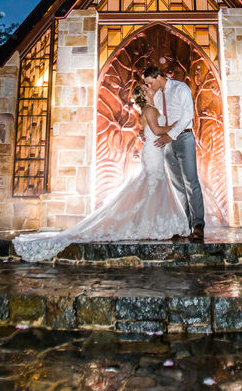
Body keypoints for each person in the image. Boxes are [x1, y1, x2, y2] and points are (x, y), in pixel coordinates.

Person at [12, 84, 190, 262]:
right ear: (145, 93)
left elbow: (145, 131)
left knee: (153, 186)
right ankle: (154, 225)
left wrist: (155, 132)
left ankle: (154, 223)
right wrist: (175, 127)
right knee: (153, 185)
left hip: (153, 150)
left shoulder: (148, 109)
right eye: (148, 86)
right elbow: (158, 130)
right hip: (153, 152)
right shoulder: (150, 110)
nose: (152, 87)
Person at [141, 66, 205, 242]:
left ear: (158, 76)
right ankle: (184, 224)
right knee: (177, 186)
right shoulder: (157, 96)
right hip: (166, 143)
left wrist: (170, 135)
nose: (147, 85)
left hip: (183, 137)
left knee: (191, 182)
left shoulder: (180, 88)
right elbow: (156, 117)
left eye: (149, 81)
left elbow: (187, 116)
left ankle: (198, 225)